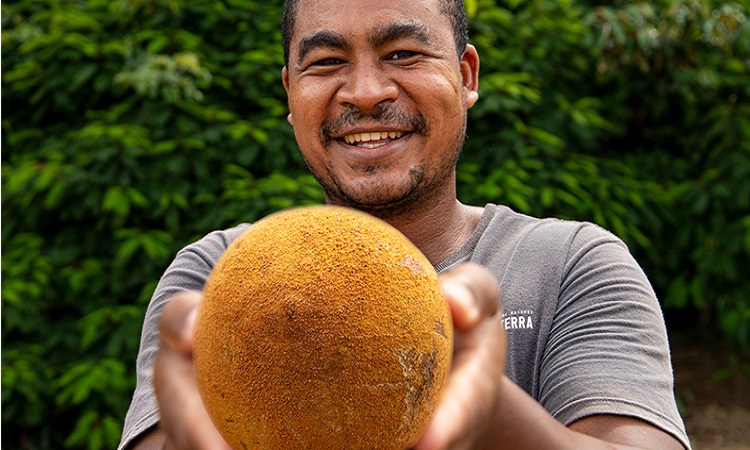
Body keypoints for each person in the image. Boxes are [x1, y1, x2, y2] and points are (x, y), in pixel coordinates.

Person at [118, 0, 692, 448]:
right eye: (325, 63)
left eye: (403, 54)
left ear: (466, 76)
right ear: (291, 94)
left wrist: (476, 399)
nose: (366, 93)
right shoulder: (214, 277)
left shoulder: (569, 265)